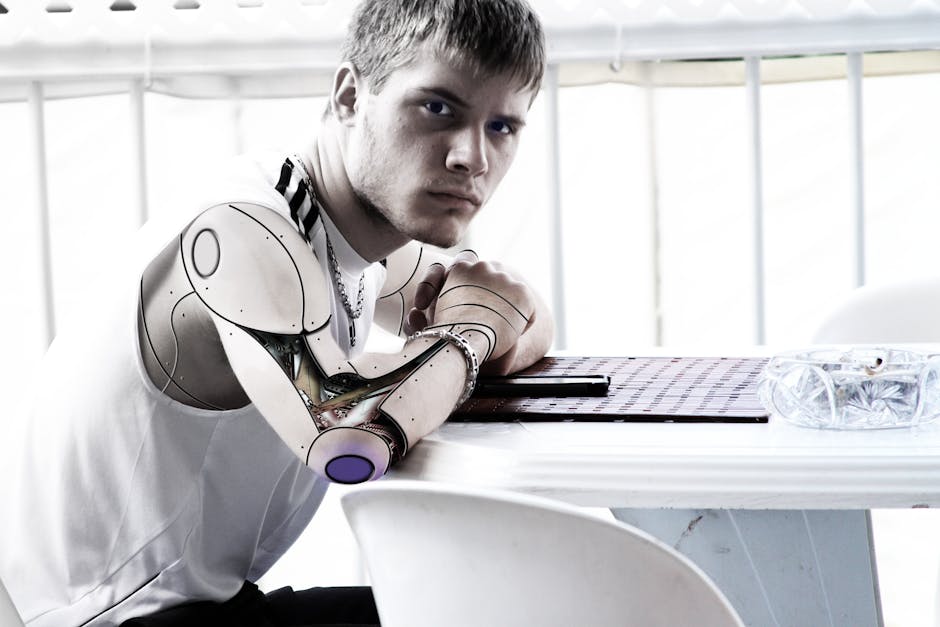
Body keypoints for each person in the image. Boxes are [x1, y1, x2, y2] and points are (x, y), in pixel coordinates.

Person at [0, 0, 550, 625]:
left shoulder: (358, 239)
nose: (471, 157)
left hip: (202, 608)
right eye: (438, 107)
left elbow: (521, 317)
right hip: (102, 621)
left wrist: (486, 321)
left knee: (502, 608)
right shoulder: (246, 237)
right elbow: (348, 437)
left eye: (502, 127)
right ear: (350, 95)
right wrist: (473, 330)